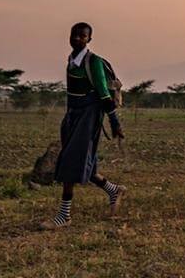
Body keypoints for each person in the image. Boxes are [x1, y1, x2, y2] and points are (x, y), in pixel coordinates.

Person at [40, 22, 126, 229]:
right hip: (73, 115)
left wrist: (115, 122)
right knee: (82, 161)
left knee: (71, 160)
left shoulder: (93, 61)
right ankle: (113, 189)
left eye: (82, 36)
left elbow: (104, 96)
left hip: (89, 116)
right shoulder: (71, 60)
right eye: (74, 34)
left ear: (89, 39)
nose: (77, 38)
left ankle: (64, 216)